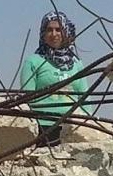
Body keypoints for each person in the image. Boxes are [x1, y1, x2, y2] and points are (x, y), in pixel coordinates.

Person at [20, 11, 89, 146]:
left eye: (58, 30)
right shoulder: (33, 62)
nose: (54, 34)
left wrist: (87, 123)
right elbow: (27, 99)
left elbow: (85, 97)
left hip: (72, 126)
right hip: (43, 128)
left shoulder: (76, 63)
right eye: (49, 30)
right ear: (43, 33)